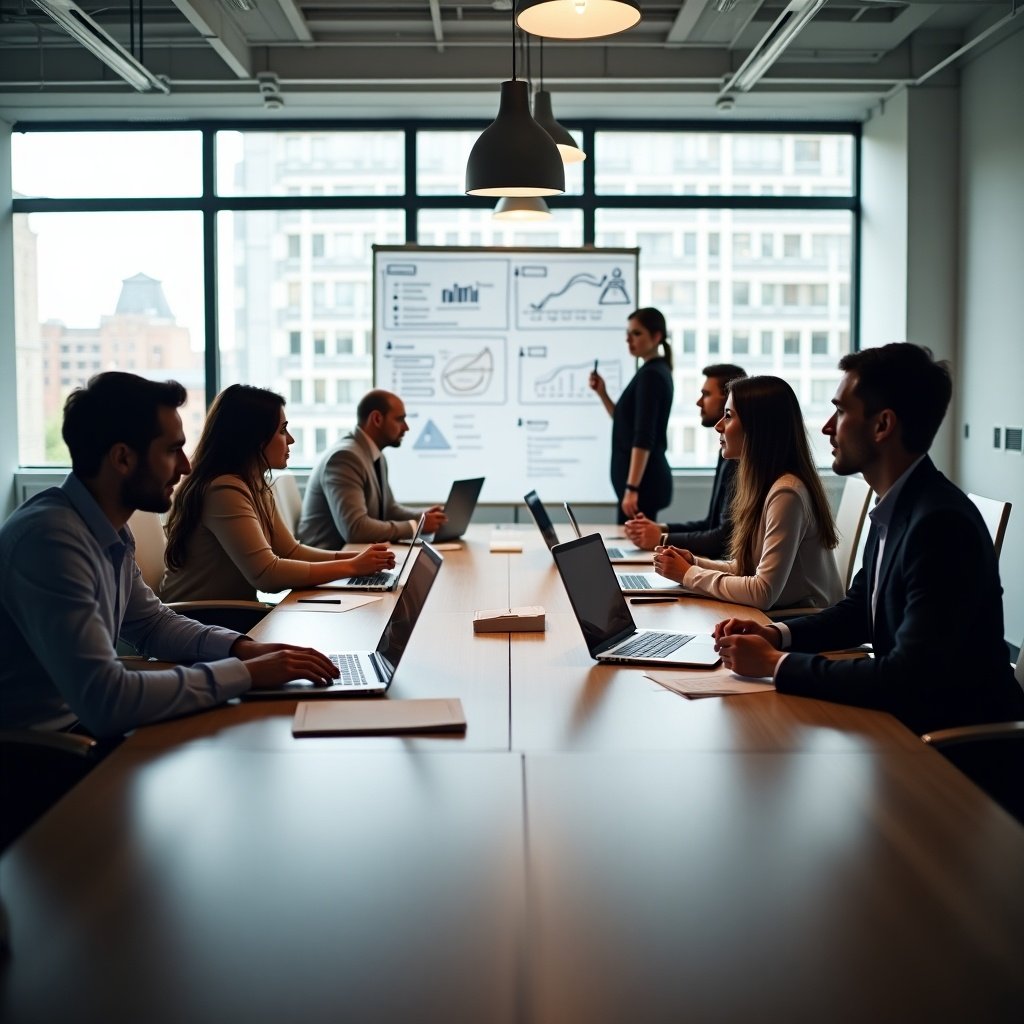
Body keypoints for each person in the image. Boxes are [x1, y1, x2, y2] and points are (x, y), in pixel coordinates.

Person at [0, 372, 340, 739]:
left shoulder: (108, 529)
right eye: (171, 450)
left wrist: (244, 649)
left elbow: (152, 625)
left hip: (80, 731)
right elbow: (107, 701)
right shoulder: (51, 541)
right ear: (122, 459)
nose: (186, 466)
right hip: (41, 753)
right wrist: (247, 674)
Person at [713, 343, 1024, 735]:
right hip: (904, 723)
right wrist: (775, 634)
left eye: (841, 411)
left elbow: (904, 677)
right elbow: (859, 612)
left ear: (882, 426)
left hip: (951, 751)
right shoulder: (897, 505)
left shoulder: (940, 525)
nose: (827, 426)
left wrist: (775, 663)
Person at [162, 385, 396, 602]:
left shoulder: (254, 483)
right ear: (254, 438)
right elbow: (267, 575)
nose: (291, 440)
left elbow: (291, 551)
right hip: (202, 620)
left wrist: (358, 559)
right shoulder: (223, 489)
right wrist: (353, 566)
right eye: (283, 430)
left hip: (225, 617)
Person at [653, 375, 843, 611]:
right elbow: (748, 569)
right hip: (784, 615)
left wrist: (689, 574)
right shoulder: (768, 485)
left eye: (729, 416)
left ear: (758, 428)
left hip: (802, 622)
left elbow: (762, 592)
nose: (718, 425)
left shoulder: (787, 493)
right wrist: (694, 563)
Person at [297, 390, 447, 548]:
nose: (406, 427)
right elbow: (355, 529)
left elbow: (388, 509)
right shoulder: (344, 458)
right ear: (377, 419)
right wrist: (415, 526)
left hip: (355, 555)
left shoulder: (376, 455)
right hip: (329, 562)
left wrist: (424, 517)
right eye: (400, 419)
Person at [624, 363, 746, 556]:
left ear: (727, 398)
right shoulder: (727, 454)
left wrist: (661, 539)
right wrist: (660, 529)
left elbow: (723, 539)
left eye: (706, 394)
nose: (699, 402)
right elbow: (710, 524)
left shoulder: (739, 459)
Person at [588, 307, 674, 524]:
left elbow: (644, 435)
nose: (628, 339)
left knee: (633, 550)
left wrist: (632, 487)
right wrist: (603, 393)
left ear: (656, 337)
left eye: (636, 333)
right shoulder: (650, 371)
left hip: (641, 488)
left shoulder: (652, 375)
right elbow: (624, 422)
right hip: (639, 487)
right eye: (628, 333)